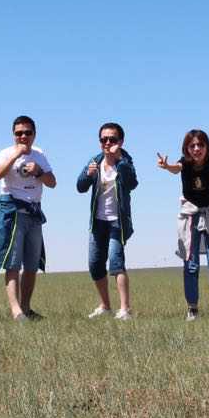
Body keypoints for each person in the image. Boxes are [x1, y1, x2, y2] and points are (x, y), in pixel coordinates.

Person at [0, 116, 56, 320]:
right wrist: (16, 155)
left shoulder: (39, 154)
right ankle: (16, 310)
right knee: (13, 263)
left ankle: (26, 308)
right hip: (13, 211)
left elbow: (52, 182)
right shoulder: (6, 153)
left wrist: (39, 171)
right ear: (13, 135)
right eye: (19, 133)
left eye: (27, 132)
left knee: (32, 265)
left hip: (34, 212)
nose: (23, 136)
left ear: (34, 134)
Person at [157, 130, 209, 320]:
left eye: (200, 145)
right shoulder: (185, 162)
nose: (197, 149)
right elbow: (176, 168)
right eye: (192, 146)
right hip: (191, 214)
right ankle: (192, 308)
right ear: (187, 148)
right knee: (191, 263)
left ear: (207, 147)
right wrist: (166, 166)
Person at [76, 122, 139, 320]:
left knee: (116, 261)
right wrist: (88, 175)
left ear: (121, 141)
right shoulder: (95, 161)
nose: (108, 143)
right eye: (104, 139)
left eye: (112, 139)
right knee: (95, 264)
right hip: (98, 222)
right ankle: (105, 306)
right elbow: (80, 187)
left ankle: (125, 309)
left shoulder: (125, 162)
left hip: (117, 222)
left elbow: (132, 183)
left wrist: (119, 161)